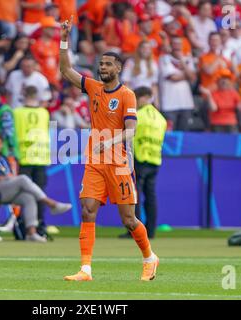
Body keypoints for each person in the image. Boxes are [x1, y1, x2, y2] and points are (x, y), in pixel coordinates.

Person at [59, 17, 159, 282]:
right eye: (100, 63)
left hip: (119, 162)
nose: (102, 67)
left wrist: (110, 141)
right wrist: (64, 38)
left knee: (128, 219)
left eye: (107, 64)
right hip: (95, 160)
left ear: (118, 68)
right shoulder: (92, 87)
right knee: (87, 208)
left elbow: (131, 131)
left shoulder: (127, 95)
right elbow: (66, 70)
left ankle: (150, 258)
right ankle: (86, 270)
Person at [0, 131, 72, 242]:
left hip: (7, 189)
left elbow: (9, 173)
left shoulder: (3, 158)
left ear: (1, 145)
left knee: (28, 197)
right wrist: (0, 178)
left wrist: (9, 178)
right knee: (22, 179)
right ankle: (51, 203)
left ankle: (31, 233)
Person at [118, 86, 166, 239]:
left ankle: (134, 231)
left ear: (142, 98)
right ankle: (150, 232)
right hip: (155, 159)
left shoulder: (138, 115)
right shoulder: (161, 118)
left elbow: (128, 134)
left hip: (138, 159)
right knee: (151, 197)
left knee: (134, 196)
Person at [14, 85, 52, 231]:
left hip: (24, 157)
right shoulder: (44, 113)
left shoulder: (17, 112)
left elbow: (14, 134)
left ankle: (26, 224)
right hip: (41, 157)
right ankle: (40, 224)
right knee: (40, 193)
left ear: (23, 94)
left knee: (25, 193)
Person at [200, 69, 241, 133]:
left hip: (231, 123)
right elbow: (213, 109)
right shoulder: (213, 94)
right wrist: (208, 95)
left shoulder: (234, 93)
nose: (224, 81)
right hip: (216, 124)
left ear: (230, 81)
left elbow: (240, 108)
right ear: (217, 81)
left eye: (226, 79)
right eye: (222, 79)